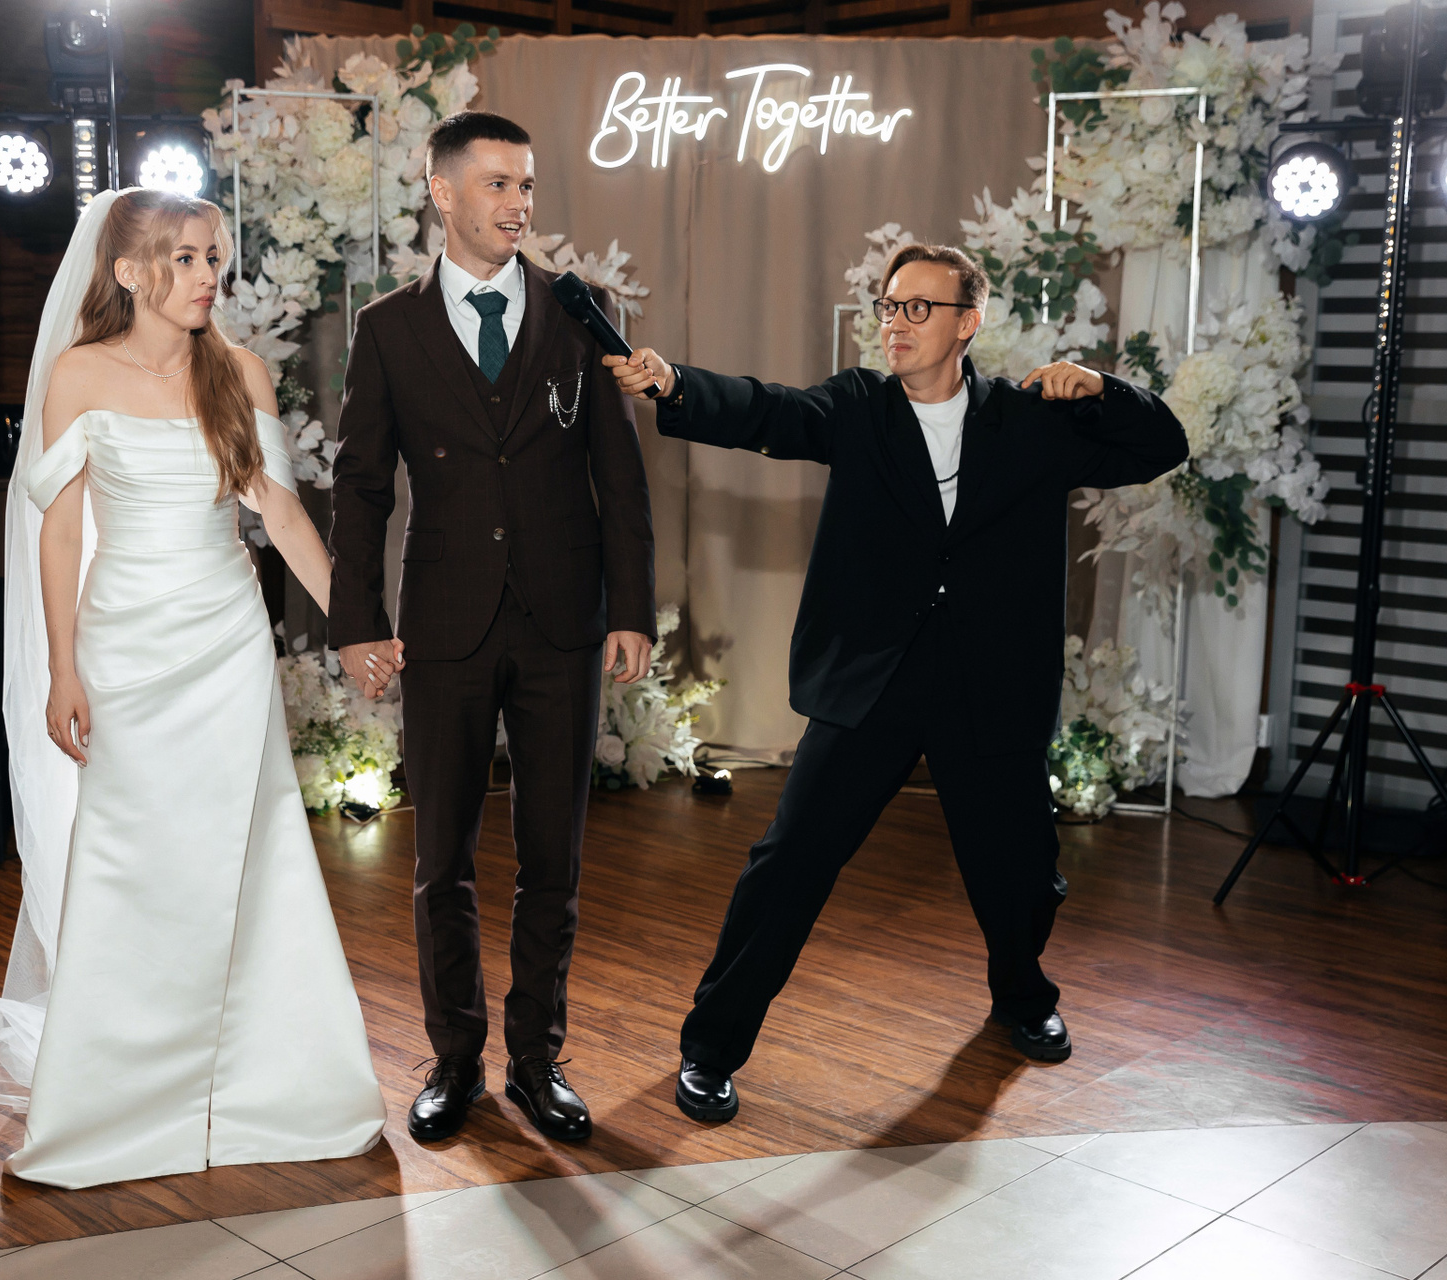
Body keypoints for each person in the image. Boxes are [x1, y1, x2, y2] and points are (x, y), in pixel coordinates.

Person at [605, 244, 1188, 1124]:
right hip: (873, 682)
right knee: (790, 864)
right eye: (889, 306)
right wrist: (677, 383)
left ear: (968, 322)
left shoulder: (1032, 419)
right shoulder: (857, 407)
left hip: (989, 685)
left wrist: (1103, 387)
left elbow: (1162, 444)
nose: (897, 322)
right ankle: (710, 1048)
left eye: (920, 307)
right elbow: (770, 410)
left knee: (1020, 872)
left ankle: (1023, 997)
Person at [0, 188, 387, 1189]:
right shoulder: (78, 373)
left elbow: (280, 513)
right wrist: (62, 666)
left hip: (227, 640)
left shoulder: (237, 370)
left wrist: (356, 623)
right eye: (186, 257)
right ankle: (119, 1099)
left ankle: (273, 1086)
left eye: (214, 256)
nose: (208, 275)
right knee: (133, 857)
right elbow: (61, 529)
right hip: (124, 646)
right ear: (129, 271)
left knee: (253, 844)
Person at [329, 111, 657, 1144]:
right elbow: (361, 487)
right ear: (443, 192)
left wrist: (632, 606)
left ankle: (537, 1059)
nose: (520, 204)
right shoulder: (388, 328)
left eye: (528, 185)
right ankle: (456, 1059)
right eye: (500, 184)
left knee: (554, 855)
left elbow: (619, 474)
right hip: (445, 623)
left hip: (565, 622)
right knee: (443, 862)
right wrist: (355, 621)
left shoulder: (581, 312)